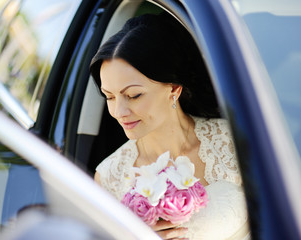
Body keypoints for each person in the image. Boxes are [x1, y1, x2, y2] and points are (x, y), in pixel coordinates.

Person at [90, 13, 250, 240]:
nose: (118, 112)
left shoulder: (235, 140)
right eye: (109, 97)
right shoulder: (109, 179)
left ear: (174, 88)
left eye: (134, 95)